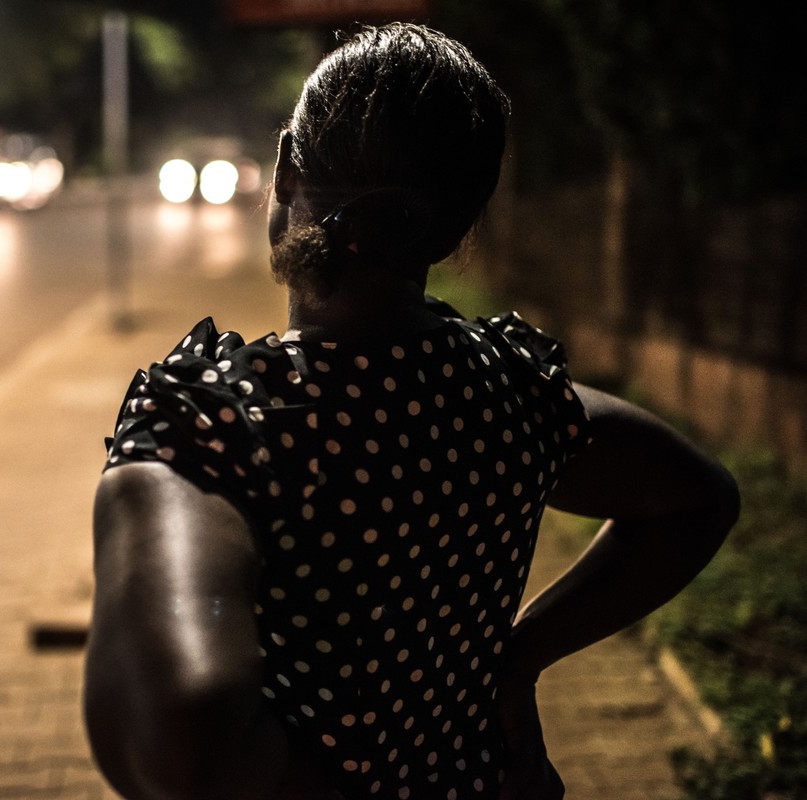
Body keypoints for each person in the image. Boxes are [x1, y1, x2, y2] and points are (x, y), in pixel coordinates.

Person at [82, 22, 738, 800]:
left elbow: (186, 731)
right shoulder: (513, 396)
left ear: (288, 168)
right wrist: (519, 655)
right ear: (460, 223)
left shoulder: (216, 430)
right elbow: (697, 498)